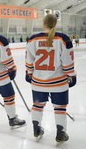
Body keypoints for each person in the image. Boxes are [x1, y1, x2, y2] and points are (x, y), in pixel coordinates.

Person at [25, 14, 76, 144]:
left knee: (37, 105)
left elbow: (29, 61)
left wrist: (28, 73)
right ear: (55, 23)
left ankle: (36, 128)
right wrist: (72, 75)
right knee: (60, 107)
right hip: (58, 82)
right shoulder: (63, 38)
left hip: (38, 82)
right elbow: (67, 62)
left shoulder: (32, 39)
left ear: (44, 24)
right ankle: (60, 132)